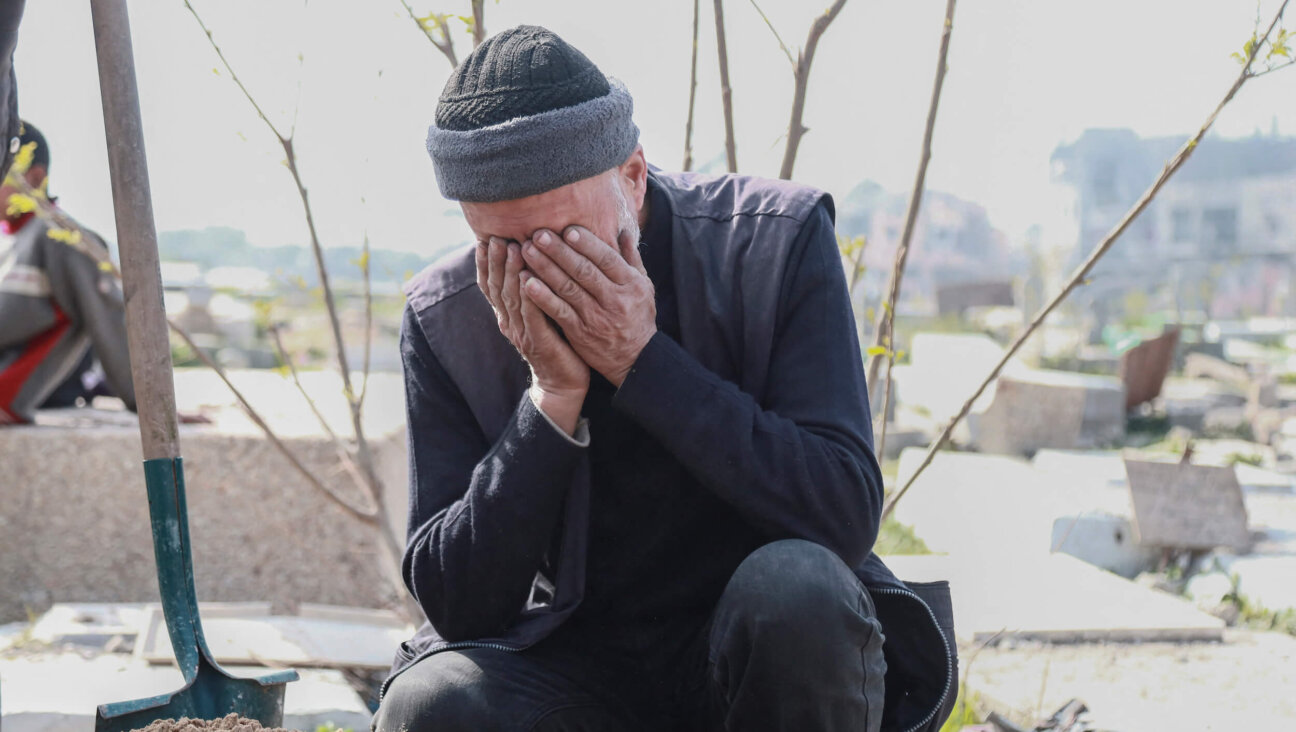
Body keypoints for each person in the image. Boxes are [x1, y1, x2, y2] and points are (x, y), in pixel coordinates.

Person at [376, 26, 956, 732]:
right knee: (430, 700)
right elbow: (457, 603)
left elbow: (841, 515)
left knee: (797, 590)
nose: (539, 269)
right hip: (573, 669)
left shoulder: (774, 242)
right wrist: (550, 402)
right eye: (502, 244)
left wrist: (641, 361)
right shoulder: (449, 316)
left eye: (563, 235)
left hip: (754, 651)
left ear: (633, 174)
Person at [0, 121, 135, 424]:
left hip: (7, 392)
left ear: (34, 178)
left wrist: (152, 406)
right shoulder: (9, 238)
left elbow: (110, 320)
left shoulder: (62, 239)